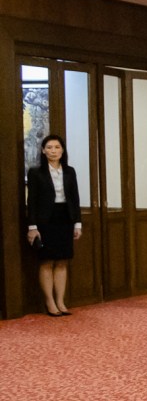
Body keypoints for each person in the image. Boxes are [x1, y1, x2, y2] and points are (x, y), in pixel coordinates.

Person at [26, 134, 83, 316]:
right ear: (43, 151)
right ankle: (49, 302)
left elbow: (74, 198)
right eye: (49, 147)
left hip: (65, 218)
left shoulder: (69, 171)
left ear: (62, 150)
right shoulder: (36, 172)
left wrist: (77, 223)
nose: (53, 151)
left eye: (57, 147)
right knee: (47, 261)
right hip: (45, 221)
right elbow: (32, 201)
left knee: (62, 261)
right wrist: (32, 227)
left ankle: (60, 301)